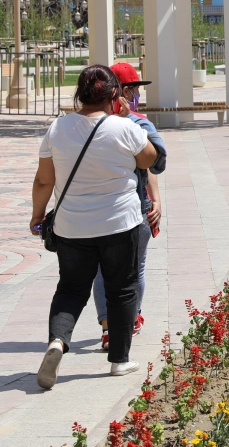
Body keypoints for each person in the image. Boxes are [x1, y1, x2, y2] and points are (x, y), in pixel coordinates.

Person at [31, 65, 159, 388]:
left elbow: (45, 180)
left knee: (71, 289)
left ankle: (57, 342)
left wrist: (37, 215)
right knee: (122, 289)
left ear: (80, 94)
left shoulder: (57, 129)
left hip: (72, 227)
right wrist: (127, 117)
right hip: (120, 224)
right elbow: (149, 159)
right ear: (114, 95)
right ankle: (119, 359)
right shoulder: (123, 127)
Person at [92, 63, 164, 353]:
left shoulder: (88, 123)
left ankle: (110, 326)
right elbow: (155, 163)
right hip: (132, 207)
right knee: (136, 267)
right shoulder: (140, 124)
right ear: (120, 92)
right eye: (133, 90)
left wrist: (157, 200)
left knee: (101, 270)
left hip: (98, 208)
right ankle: (129, 320)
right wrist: (155, 200)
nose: (137, 95)